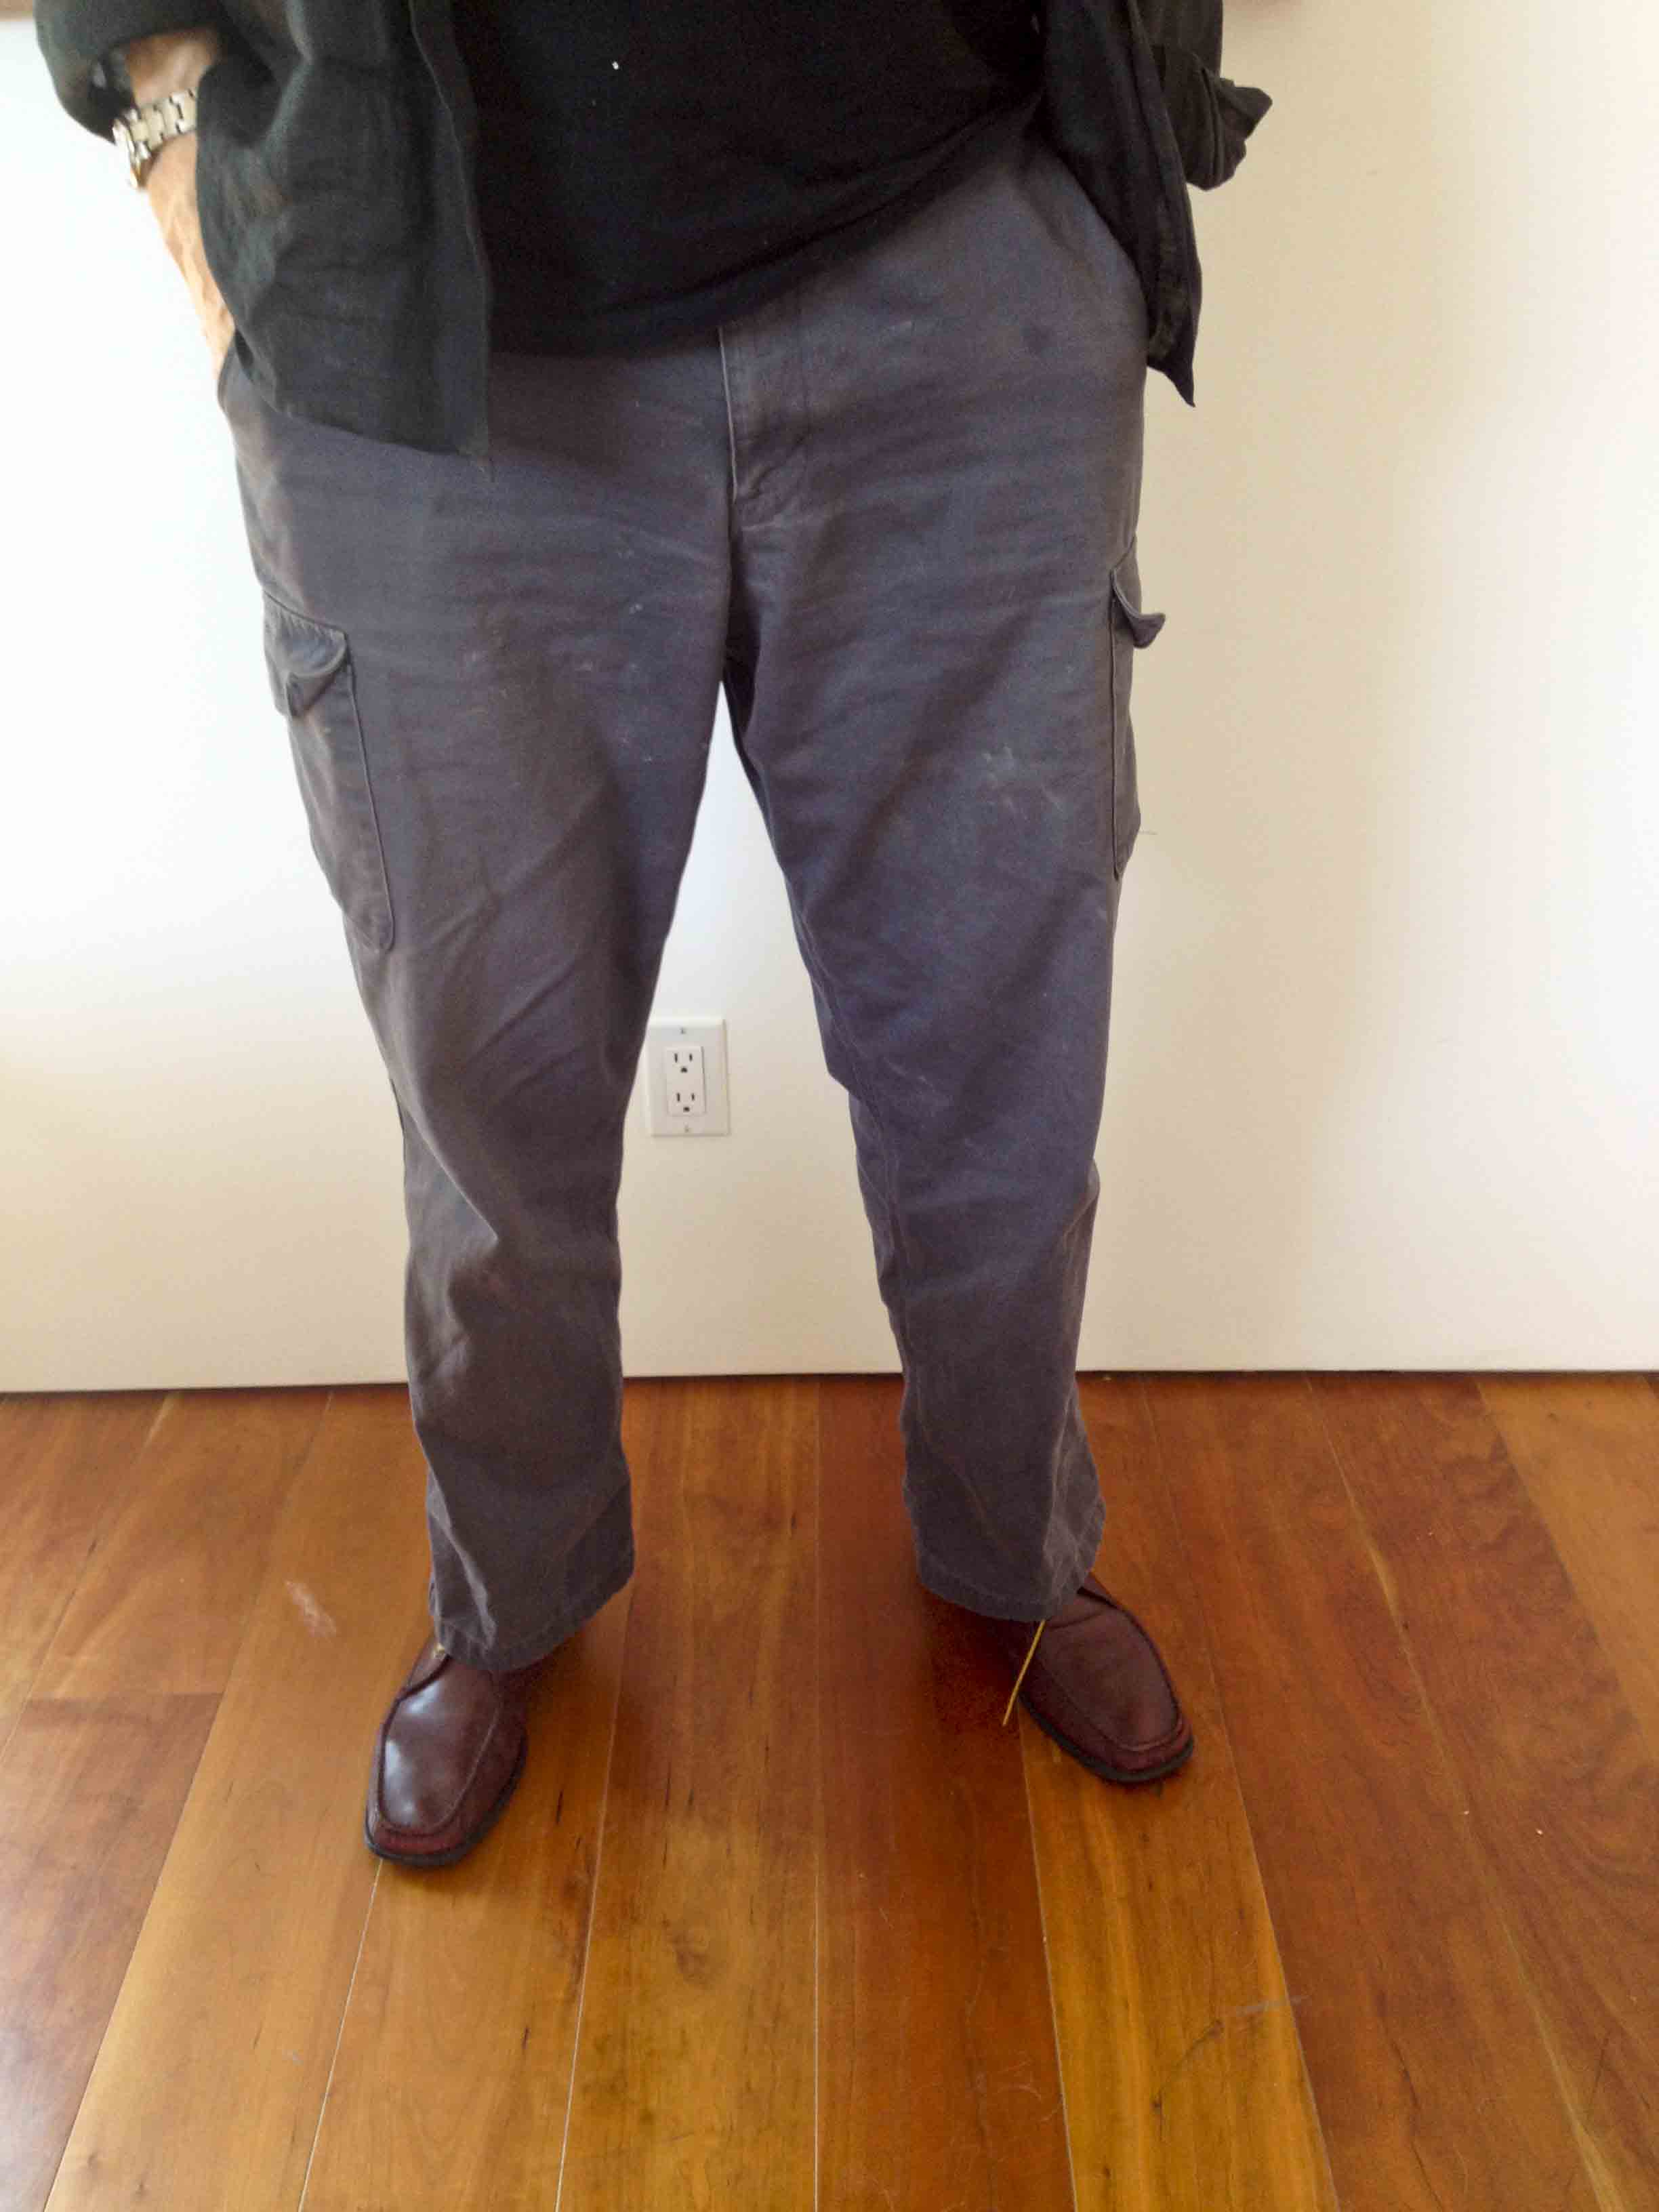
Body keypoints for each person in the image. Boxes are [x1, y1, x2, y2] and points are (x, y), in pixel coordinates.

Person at [36, 1, 1269, 1870]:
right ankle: (506, 1601)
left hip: (958, 256)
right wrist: (179, 159)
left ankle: (1016, 1554)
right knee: (489, 1079)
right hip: (421, 309)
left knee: (996, 1053)